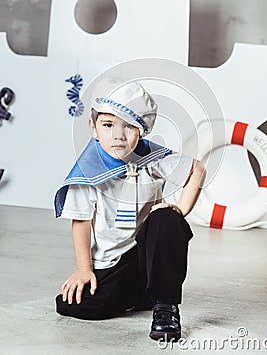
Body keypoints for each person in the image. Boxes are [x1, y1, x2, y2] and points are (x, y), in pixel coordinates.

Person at [54, 77, 205, 342]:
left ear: (142, 131)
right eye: (108, 125)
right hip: (113, 262)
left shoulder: (151, 159)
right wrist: (83, 268)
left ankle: (165, 306)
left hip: (147, 254)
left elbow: (197, 169)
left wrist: (179, 210)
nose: (118, 135)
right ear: (93, 127)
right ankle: (141, 294)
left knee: (166, 218)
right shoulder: (89, 171)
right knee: (73, 304)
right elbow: (81, 222)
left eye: (129, 127)